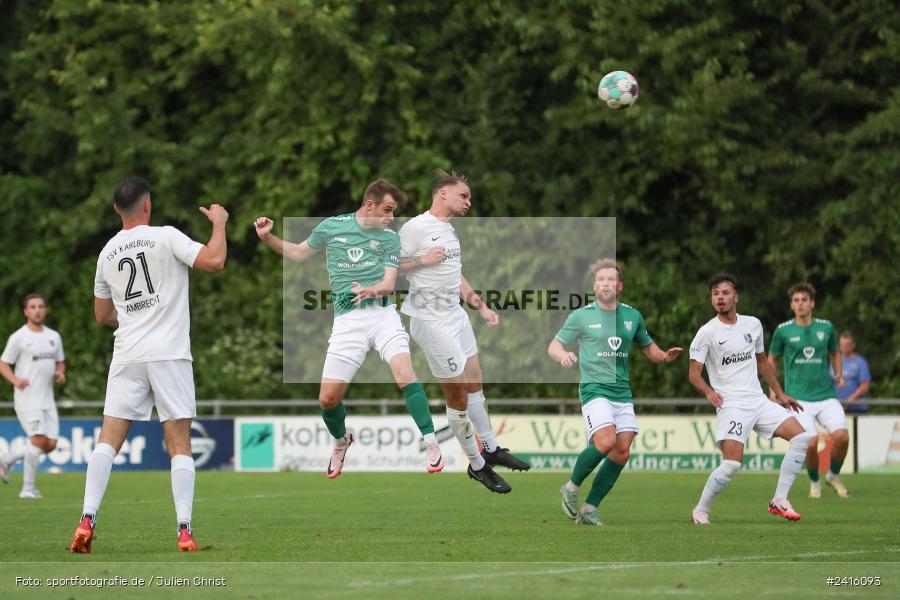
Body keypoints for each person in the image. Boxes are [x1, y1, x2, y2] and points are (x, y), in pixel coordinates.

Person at [70, 177, 229, 554]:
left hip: (128, 353)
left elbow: (102, 314)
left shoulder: (107, 252)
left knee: (107, 442)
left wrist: (133, 316)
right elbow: (214, 260)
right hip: (170, 353)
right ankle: (184, 530)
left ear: (115, 209)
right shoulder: (165, 236)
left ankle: (87, 518)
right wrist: (219, 223)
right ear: (148, 205)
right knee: (179, 443)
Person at [254, 180, 443, 479]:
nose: (390, 217)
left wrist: (371, 290)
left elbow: (388, 283)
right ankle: (342, 441)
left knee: (405, 375)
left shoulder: (388, 239)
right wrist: (267, 238)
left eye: (393, 211)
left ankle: (431, 443)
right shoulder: (332, 227)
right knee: (327, 400)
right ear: (369, 204)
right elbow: (298, 254)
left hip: (382, 315)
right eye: (387, 210)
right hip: (347, 322)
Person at [398, 170, 526, 495]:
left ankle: (492, 447)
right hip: (431, 320)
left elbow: (455, 275)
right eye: (464, 196)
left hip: (455, 315)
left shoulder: (449, 230)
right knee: (457, 395)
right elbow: (390, 266)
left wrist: (479, 305)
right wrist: (422, 260)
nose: (469, 202)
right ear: (443, 194)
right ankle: (477, 464)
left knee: (474, 379)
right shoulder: (415, 227)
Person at [549, 259, 682, 525]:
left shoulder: (632, 316)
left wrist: (665, 357)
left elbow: (648, 347)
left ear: (619, 286)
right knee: (606, 441)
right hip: (594, 389)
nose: (605, 283)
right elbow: (553, 346)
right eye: (600, 280)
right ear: (595, 286)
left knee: (622, 451)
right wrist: (562, 355)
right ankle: (571, 487)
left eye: (611, 279)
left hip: (622, 393)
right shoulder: (581, 316)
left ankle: (589, 509)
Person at [688, 273, 812, 524]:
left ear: (736, 297)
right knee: (732, 464)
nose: (719, 298)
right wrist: (709, 392)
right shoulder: (707, 332)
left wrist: (780, 392)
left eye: (724, 293)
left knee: (801, 437)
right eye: (715, 294)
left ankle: (779, 500)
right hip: (731, 404)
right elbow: (693, 374)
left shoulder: (753, 325)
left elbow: (763, 362)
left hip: (758, 401)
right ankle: (700, 510)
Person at [768, 282, 849, 498]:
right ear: (791, 305)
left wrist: (839, 374)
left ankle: (832, 475)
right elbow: (771, 359)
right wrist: (773, 389)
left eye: (804, 300)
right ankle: (815, 482)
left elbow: (835, 352)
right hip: (797, 398)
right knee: (811, 443)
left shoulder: (826, 328)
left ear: (812, 303)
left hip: (826, 396)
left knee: (842, 437)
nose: (800, 304)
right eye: (796, 300)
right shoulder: (783, 331)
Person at [0, 294, 66, 498]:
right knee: (38, 440)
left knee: (51, 444)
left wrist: (60, 372)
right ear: (25, 311)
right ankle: (27, 489)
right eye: (33, 306)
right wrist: (16, 380)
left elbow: (60, 361)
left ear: (45, 310)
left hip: (47, 399)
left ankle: (7, 459)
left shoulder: (54, 336)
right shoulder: (18, 337)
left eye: (41, 306)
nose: (37, 310)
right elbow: (3, 364)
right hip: (27, 398)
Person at [832, 331, 871, 414]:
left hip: (857, 409)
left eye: (847, 345)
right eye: (842, 345)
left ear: (853, 345)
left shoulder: (861, 362)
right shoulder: (834, 362)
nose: (844, 348)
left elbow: (864, 386)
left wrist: (848, 402)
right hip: (836, 409)